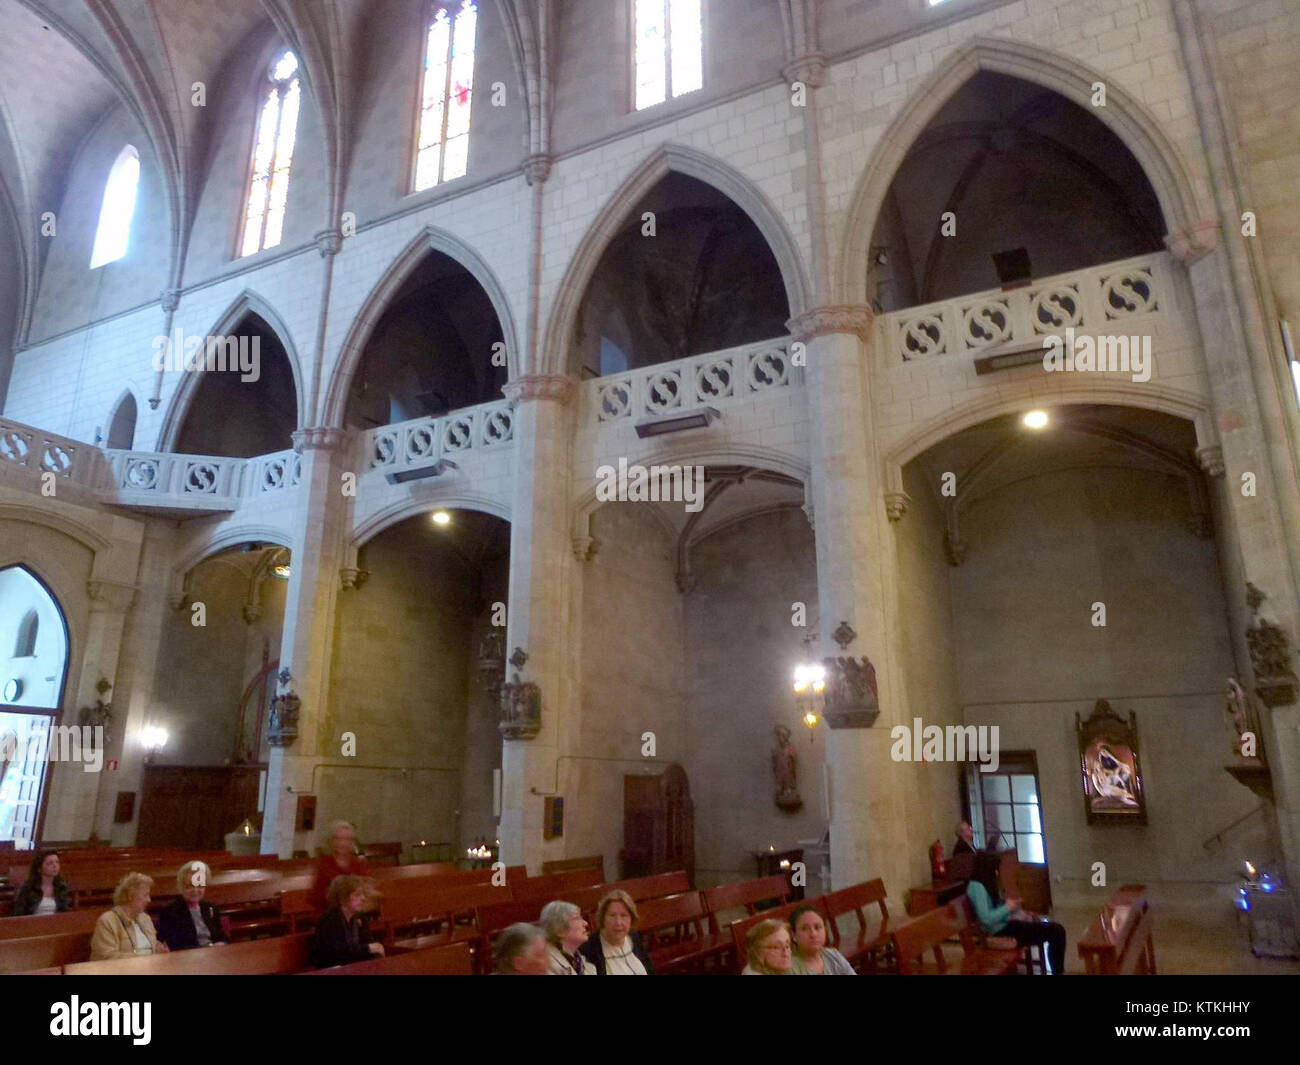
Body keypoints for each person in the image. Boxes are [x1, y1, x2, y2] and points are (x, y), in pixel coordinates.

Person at [965, 851, 1066, 975]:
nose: (997, 872)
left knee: (1054, 930)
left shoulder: (984, 884)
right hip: (1000, 932)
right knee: (1056, 931)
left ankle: (1058, 971)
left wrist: (1015, 911)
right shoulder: (976, 886)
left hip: (1006, 926)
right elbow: (986, 918)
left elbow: (996, 911)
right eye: (995, 868)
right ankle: (1059, 972)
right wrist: (1008, 907)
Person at [309, 874, 384, 968]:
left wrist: (373, 950)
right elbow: (338, 953)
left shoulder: (359, 917)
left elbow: (368, 942)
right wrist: (368, 948)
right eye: (357, 894)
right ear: (343, 897)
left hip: (351, 966)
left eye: (363, 894)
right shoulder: (329, 919)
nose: (363, 898)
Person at [90, 873, 166, 960]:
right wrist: (142, 959)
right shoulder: (108, 920)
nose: (149, 900)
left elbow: (152, 945)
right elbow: (106, 956)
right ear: (130, 896)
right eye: (145, 895)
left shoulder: (145, 918)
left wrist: (159, 949)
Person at [578, 889, 655, 975]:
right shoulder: (590, 948)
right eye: (612, 915)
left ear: (631, 918)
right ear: (603, 918)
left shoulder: (634, 937)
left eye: (624, 915)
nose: (618, 922)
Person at [156, 860, 228, 950]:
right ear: (181, 886)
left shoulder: (210, 907)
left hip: (213, 954)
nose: (195, 890)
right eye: (190, 886)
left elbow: (220, 935)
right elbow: (174, 944)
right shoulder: (170, 911)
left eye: (200, 885)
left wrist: (221, 943)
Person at [310, 820, 370, 909]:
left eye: (346, 839)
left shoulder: (357, 863)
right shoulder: (324, 864)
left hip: (355, 913)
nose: (342, 843)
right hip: (330, 914)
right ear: (331, 841)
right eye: (338, 839)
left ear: (352, 842)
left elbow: (366, 890)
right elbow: (315, 898)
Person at [788, 904, 854, 975]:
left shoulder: (834, 956)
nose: (813, 934)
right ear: (793, 935)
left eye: (817, 927)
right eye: (805, 929)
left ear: (825, 930)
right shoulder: (790, 968)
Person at [539, 900, 595, 975]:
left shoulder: (584, 963)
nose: (585, 923)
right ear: (559, 929)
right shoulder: (545, 964)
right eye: (577, 918)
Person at [12, 850, 72, 915]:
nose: (55, 866)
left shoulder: (61, 886)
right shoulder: (28, 887)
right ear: (39, 868)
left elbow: (65, 911)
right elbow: (19, 913)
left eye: (57, 862)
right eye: (50, 863)